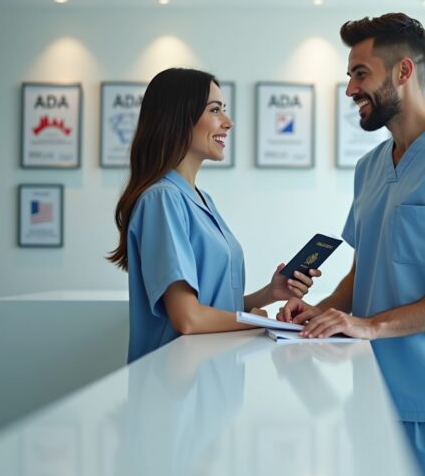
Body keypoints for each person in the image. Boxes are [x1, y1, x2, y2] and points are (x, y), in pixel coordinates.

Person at [278, 13, 425, 476]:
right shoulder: (369, 168)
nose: (349, 90)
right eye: (349, 76)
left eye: (361, 74)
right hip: (369, 393)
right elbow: (366, 273)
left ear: (403, 71)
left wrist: (371, 326)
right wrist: (320, 313)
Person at [108, 68, 319, 363]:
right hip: (173, 387)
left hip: (212, 374)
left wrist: (269, 294)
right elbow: (188, 319)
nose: (228, 122)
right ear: (179, 117)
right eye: (215, 110)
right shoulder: (162, 199)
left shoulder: (201, 199)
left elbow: (213, 307)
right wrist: (256, 320)